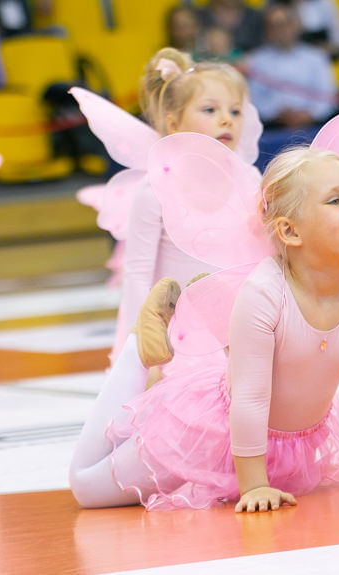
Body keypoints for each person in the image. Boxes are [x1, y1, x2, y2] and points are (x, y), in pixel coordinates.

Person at [68, 144, 339, 511]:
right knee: (87, 485)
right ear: (290, 231)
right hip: (213, 431)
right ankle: (141, 346)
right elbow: (249, 400)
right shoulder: (265, 294)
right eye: (335, 201)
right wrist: (253, 484)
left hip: (285, 443)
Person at [72, 48, 263, 363]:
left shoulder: (251, 177)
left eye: (236, 111)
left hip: (241, 334)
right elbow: (137, 274)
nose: (226, 119)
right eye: (210, 110)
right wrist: (142, 349)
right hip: (181, 341)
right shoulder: (155, 189)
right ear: (174, 123)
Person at [246, 4, 338, 128]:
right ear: (267, 30)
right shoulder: (257, 60)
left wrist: (309, 115)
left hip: (315, 125)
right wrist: (277, 114)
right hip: (272, 127)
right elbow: (254, 100)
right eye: (275, 26)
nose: (282, 30)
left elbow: (328, 96)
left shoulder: (316, 58)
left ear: (296, 25)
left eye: (286, 23)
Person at [271, 0, 339, 56]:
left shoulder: (324, 4)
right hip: (286, 55)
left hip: (322, 55)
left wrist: (320, 51)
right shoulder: (280, 5)